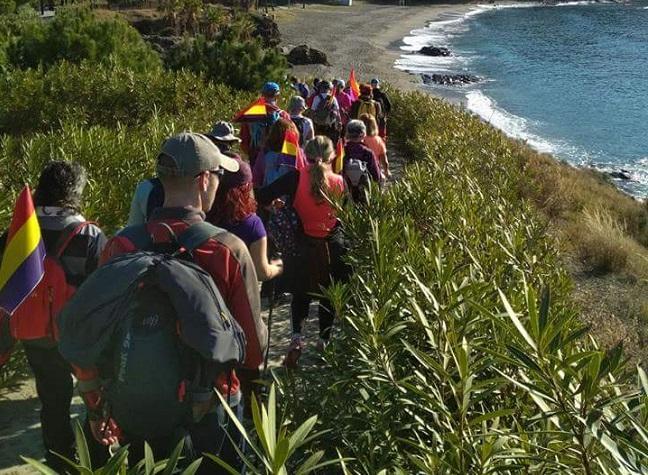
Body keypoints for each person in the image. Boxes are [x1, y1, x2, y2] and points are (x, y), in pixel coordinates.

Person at [74, 133, 267, 470]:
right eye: (219, 176)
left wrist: (95, 404)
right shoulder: (227, 249)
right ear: (205, 180)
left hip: (134, 406)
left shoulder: (120, 246)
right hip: (210, 407)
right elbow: (252, 351)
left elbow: (91, 331)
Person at [0, 161, 107, 471]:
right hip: (77, 337)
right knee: (94, 397)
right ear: (75, 193)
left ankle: (59, 461)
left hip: (34, 333)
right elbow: (101, 290)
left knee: (52, 400)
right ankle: (95, 460)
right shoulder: (90, 236)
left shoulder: (15, 233)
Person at [255, 136, 348, 368]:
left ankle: (296, 339)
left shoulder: (295, 177)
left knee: (301, 294)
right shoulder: (339, 181)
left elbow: (262, 195)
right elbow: (345, 215)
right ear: (332, 156)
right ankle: (323, 341)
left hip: (301, 246)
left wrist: (274, 205)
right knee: (328, 295)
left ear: (305, 154)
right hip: (330, 246)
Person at [127, 122, 244, 226]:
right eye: (219, 174)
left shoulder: (145, 189)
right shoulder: (227, 246)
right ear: (204, 179)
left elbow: (132, 228)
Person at [207, 156, 283, 281]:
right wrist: (278, 267)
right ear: (247, 188)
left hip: (208, 290)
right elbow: (261, 273)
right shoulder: (252, 224)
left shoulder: (204, 215)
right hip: (238, 293)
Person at [240, 82, 290, 167]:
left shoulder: (250, 115)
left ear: (262, 95)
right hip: (277, 159)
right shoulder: (283, 115)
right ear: (277, 96)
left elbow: (244, 140)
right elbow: (289, 139)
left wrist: (251, 153)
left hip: (255, 157)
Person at [252, 118, 304, 187]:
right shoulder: (297, 152)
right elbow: (302, 173)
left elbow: (256, 178)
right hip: (291, 194)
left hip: (269, 193)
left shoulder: (265, 152)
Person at [343, 120, 381, 203]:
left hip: (346, 191)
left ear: (347, 134)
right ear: (363, 134)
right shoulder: (368, 152)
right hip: (363, 193)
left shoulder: (342, 151)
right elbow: (376, 176)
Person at [360, 113, 391, 180]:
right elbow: (384, 160)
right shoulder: (378, 140)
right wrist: (386, 171)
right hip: (375, 169)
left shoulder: (358, 139)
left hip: (359, 170)